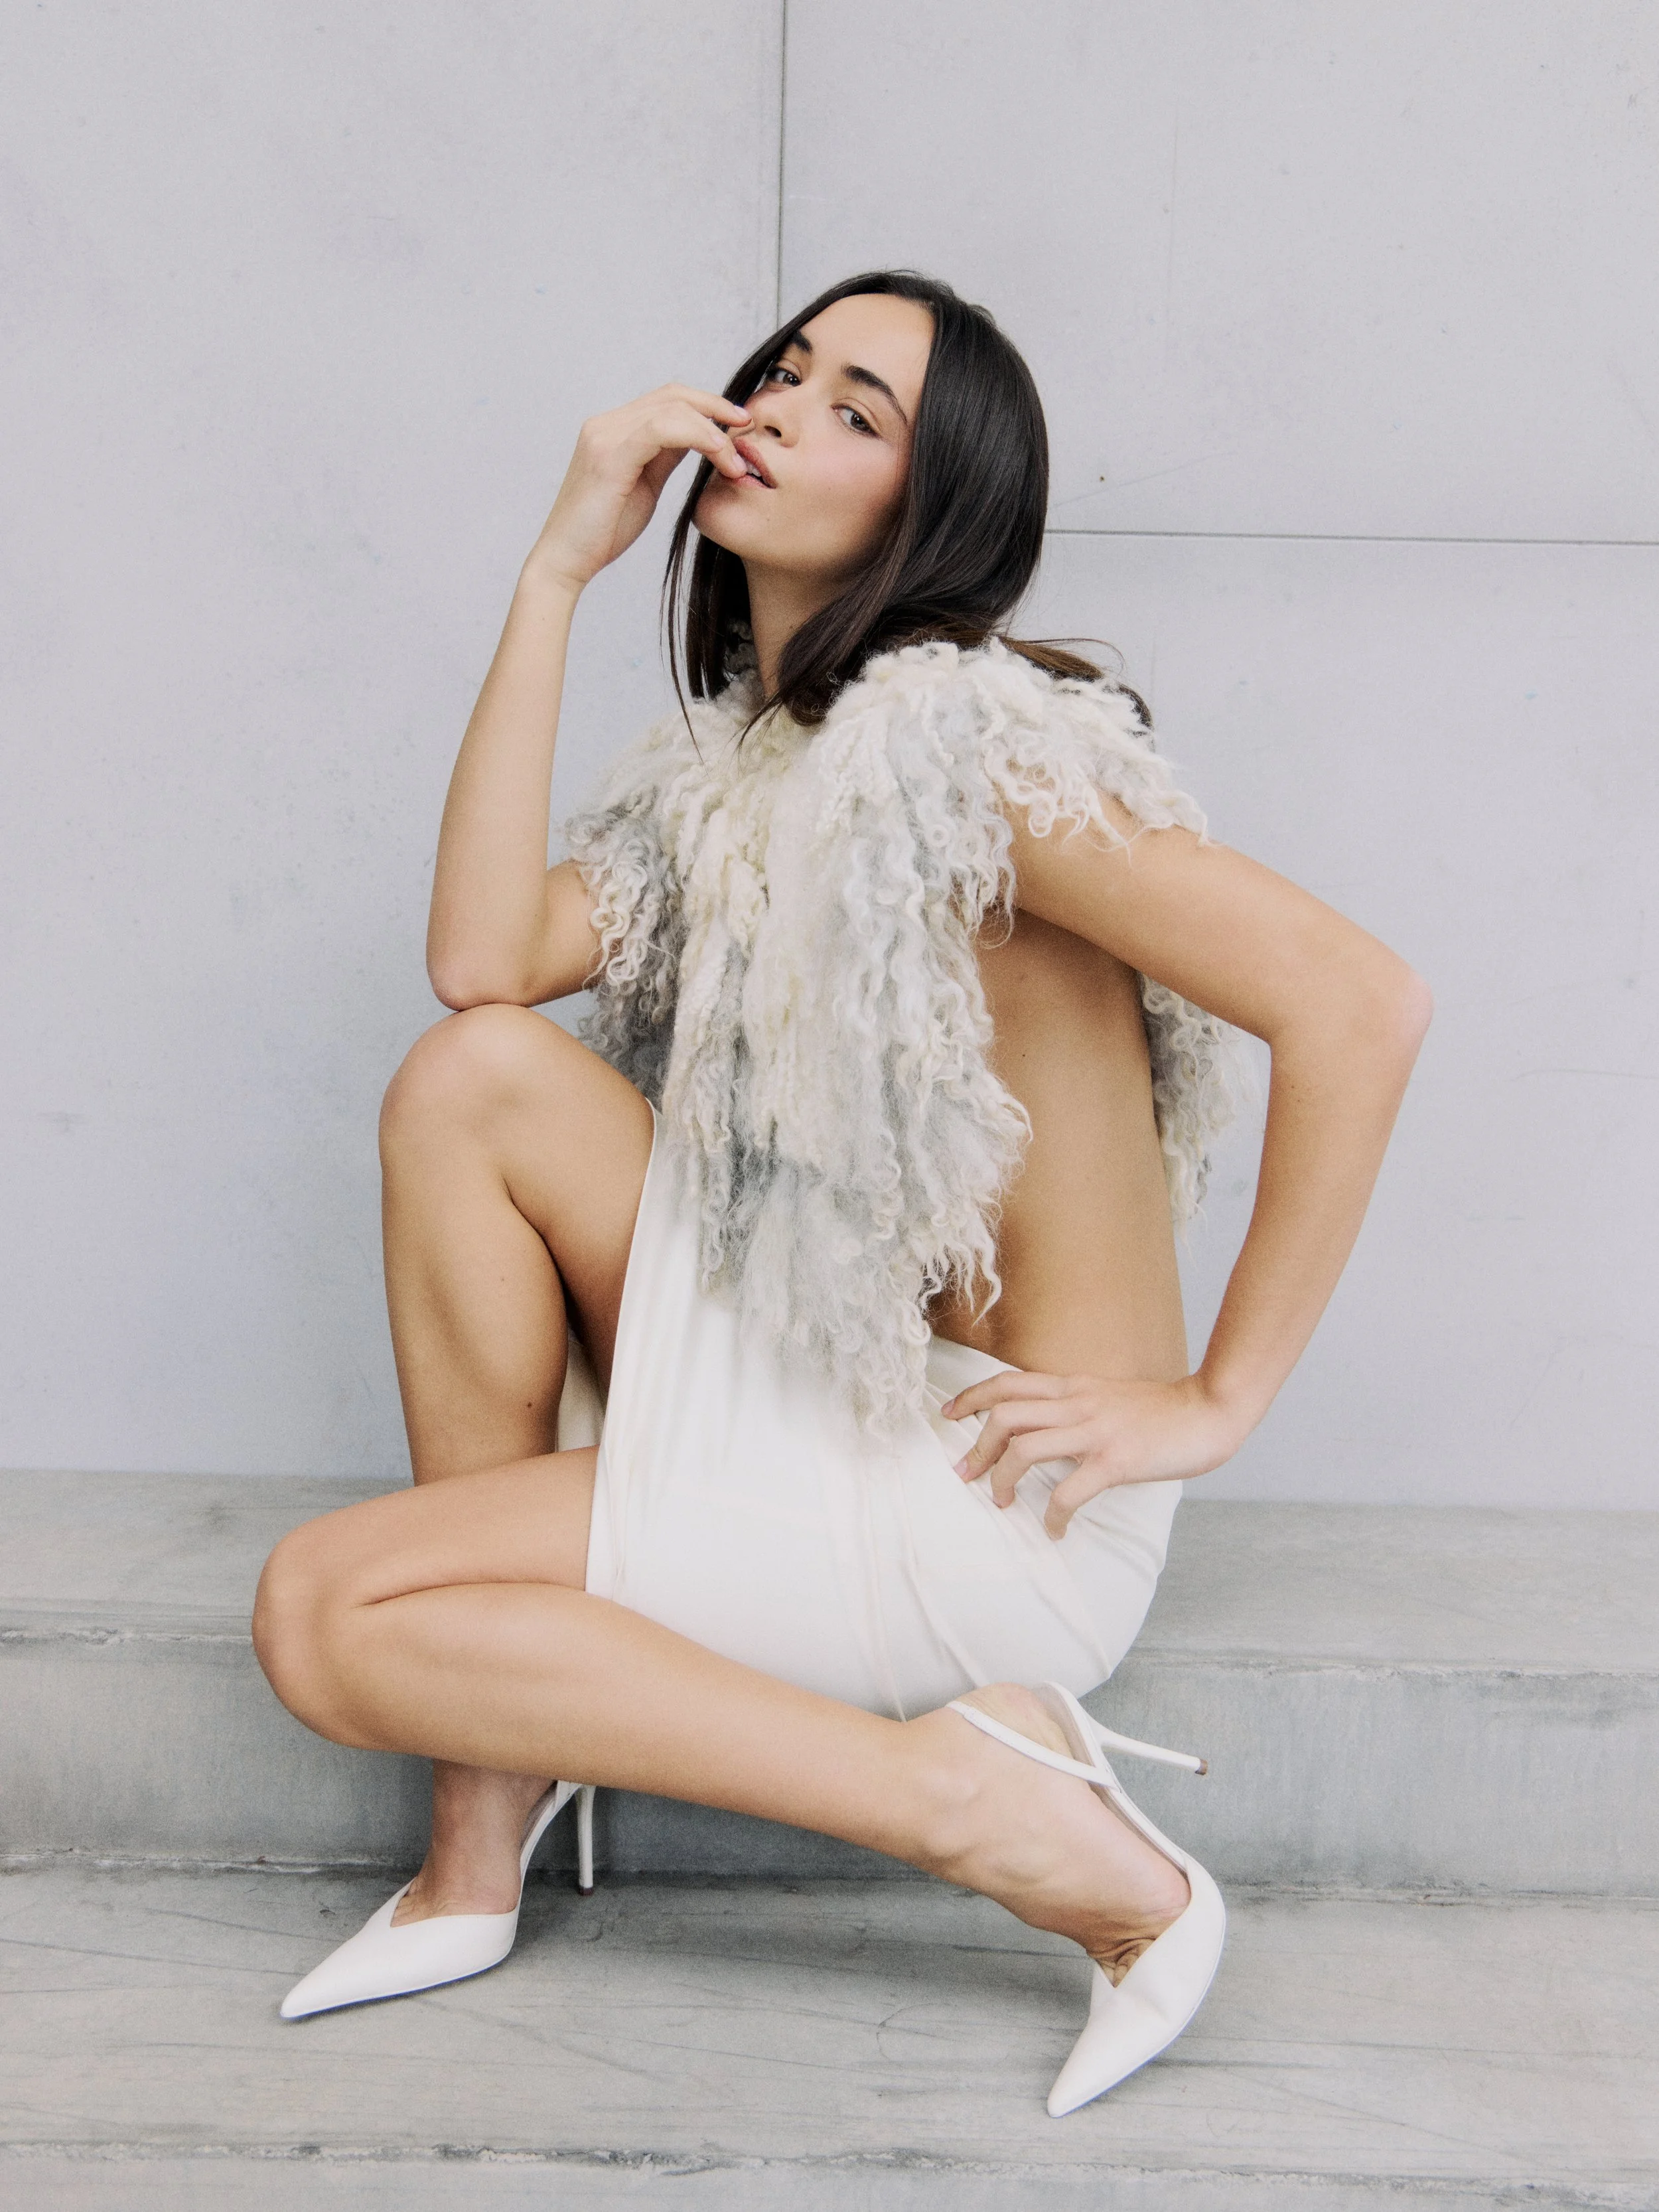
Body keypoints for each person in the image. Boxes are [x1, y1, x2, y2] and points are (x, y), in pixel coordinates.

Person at [252, 271, 1430, 2115]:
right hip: (832, 1396)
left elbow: (1355, 1003)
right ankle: (486, 1828)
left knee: (326, 1618)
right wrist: (557, 566)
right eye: (788, 371)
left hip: (988, 1495)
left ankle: (975, 1796)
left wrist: (1215, 1402)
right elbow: (477, 961)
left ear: (927, 508)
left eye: (858, 409)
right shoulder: (735, 774)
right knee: (470, 1081)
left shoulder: (967, 747)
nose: (785, 405)